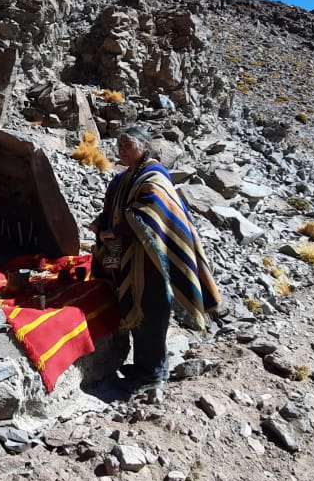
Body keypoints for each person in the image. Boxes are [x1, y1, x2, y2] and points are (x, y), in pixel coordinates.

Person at [93, 125, 222, 393]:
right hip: (127, 257)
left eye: (128, 145)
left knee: (152, 310)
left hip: (152, 258)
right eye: (120, 145)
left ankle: (154, 372)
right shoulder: (122, 178)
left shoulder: (154, 176)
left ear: (145, 147)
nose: (122, 150)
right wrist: (100, 225)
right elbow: (112, 207)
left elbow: (151, 211)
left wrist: (114, 230)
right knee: (133, 308)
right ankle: (141, 367)